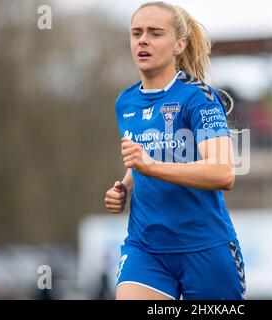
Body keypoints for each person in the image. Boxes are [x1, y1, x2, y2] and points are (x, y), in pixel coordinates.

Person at [104, 1, 245, 300]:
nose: (143, 40)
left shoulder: (199, 98)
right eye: (136, 33)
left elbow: (223, 172)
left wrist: (150, 166)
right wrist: (125, 187)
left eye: (155, 33)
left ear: (179, 44)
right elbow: (140, 159)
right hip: (146, 248)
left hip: (205, 250)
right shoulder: (125, 102)